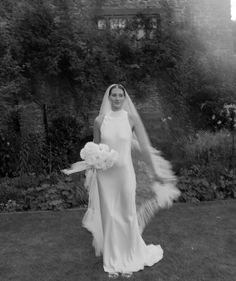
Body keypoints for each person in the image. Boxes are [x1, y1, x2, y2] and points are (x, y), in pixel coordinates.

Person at [82, 84, 180, 279]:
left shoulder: (132, 119)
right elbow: (96, 146)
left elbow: (144, 148)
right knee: (109, 215)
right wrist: (93, 161)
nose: (117, 98)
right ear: (109, 98)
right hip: (105, 176)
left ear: (124, 98)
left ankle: (130, 255)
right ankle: (112, 259)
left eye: (120, 95)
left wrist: (155, 172)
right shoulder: (100, 120)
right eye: (114, 95)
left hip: (125, 174)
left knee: (127, 214)